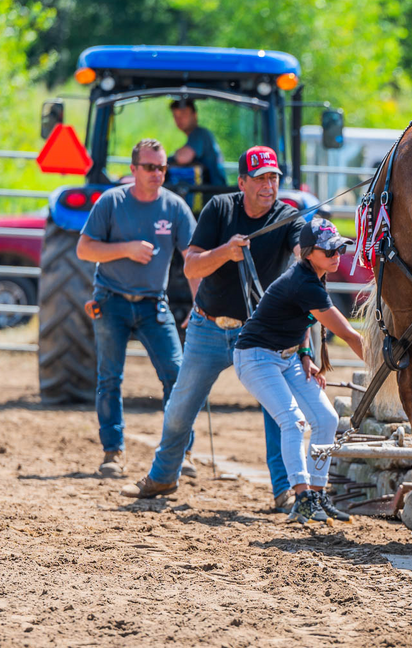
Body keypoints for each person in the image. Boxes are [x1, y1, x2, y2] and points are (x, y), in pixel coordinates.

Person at [121, 146, 302, 506]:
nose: (269, 186)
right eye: (261, 179)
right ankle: (162, 477)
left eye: (274, 178)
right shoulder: (220, 209)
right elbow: (191, 266)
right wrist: (225, 252)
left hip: (258, 334)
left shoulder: (288, 217)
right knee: (180, 407)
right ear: (242, 182)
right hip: (208, 327)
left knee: (278, 411)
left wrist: (310, 252)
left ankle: (284, 490)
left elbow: (302, 254)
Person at [77, 139, 196, 478]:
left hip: (154, 305)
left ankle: (181, 453)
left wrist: (200, 303)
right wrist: (125, 249)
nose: (157, 173)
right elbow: (84, 249)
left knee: (177, 375)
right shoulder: (111, 202)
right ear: (133, 169)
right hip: (110, 301)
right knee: (109, 378)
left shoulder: (175, 207)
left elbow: (194, 259)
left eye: (162, 167)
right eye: (150, 167)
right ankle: (113, 452)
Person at [233, 218, 365, 524]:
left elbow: (303, 317)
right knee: (293, 421)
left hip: (288, 356)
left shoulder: (313, 276)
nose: (336, 255)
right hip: (256, 357)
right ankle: (303, 497)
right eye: (329, 250)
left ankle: (316, 493)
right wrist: (386, 368)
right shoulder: (305, 282)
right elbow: (350, 336)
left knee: (327, 419)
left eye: (339, 249)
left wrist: (305, 353)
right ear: (308, 253)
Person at [169, 99, 227, 186]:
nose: (179, 119)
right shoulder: (201, 135)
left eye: (183, 114)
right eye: (175, 116)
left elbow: (183, 158)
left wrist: (168, 159)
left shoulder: (199, 133)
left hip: (214, 190)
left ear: (195, 115)